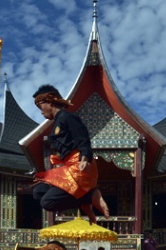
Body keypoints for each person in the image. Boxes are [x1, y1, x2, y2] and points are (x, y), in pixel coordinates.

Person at [31, 84, 109, 224]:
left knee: (48, 203)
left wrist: (85, 158)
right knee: (38, 192)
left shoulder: (68, 117)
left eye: (40, 107)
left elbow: (83, 137)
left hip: (79, 165)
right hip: (67, 167)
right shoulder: (56, 123)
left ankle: (89, 196)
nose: (41, 112)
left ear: (49, 102)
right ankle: (84, 201)